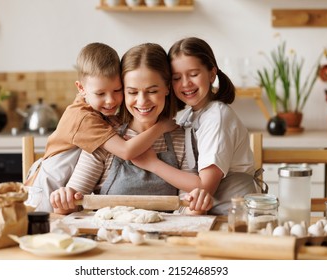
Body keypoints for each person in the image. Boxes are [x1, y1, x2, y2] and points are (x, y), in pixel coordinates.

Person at [50, 43, 214, 214]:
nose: (142, 101)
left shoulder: (182, 138)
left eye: (152, 91)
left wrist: (197, 206)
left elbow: (186, 209)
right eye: (133, 92)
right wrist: (64, 200)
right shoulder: (106, 137)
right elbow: (74, 203)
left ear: (167, 87)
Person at [25, 42, 176, 212]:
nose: (110, 100)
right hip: (46, 191)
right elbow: (126, 151)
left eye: (117, 90)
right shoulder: (83, 118)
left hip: (65, 192)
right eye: (100, 93)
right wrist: (161, 126)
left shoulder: (101, 111)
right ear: (81, 88)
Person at [131, 37, 258, 215]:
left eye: (193, 74)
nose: (185, 83)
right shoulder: (188, 115)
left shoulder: (217, 117)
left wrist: (153, 164)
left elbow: (204, 188)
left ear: (212, 74)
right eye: (177, 78)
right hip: (204, 211)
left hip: (231, 215)